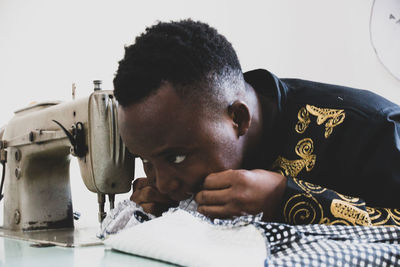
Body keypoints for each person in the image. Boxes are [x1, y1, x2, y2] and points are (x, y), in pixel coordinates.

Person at [113, 19, 400, 226]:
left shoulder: (376, 129)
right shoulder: (189, 134)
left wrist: (284, 199)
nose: (162, 183)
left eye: (175, 156)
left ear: (238, 119)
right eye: (146, 161)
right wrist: (158, 212)